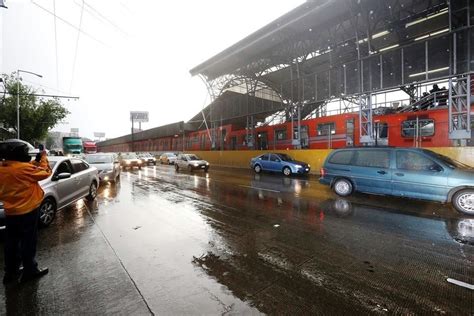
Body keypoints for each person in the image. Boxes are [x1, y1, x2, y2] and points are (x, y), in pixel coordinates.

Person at [0, 140, 51, 284]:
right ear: (18, 154)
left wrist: (36, 160)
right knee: (28, 242)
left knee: (11, 243)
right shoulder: (22, 169)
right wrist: (43, 157)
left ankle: (10, 273)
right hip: (28, 211)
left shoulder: (4, 167)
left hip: (11, 211)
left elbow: (23, 169)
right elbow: (46, 172)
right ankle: (30, 271)